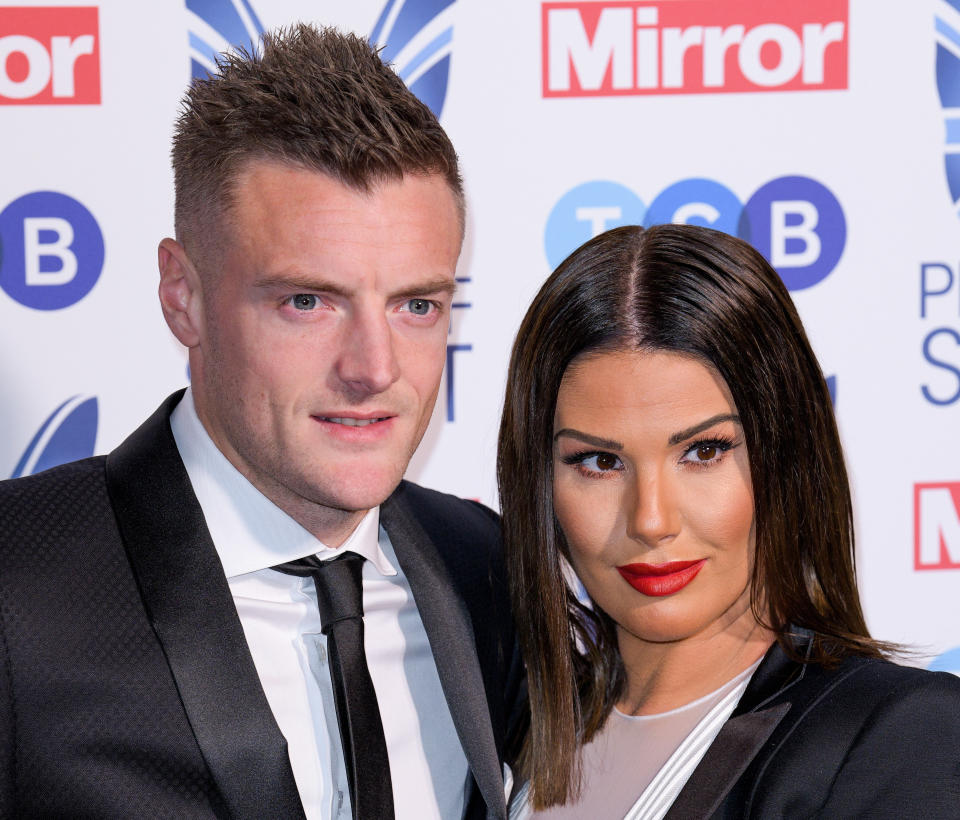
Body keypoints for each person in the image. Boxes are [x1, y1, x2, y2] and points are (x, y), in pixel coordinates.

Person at [0, 24, 521, 820]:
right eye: (307, 301)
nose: (374, 368)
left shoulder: (484, 572)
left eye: (418, 305)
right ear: (184, 296)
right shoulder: (18, 579)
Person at [497, 223, 960, 819]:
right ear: (540, 482)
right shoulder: (501, 736)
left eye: (705, 451)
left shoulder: (897, 737)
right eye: (599, 461)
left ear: (786, 455)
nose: (652, 520)